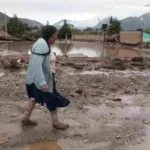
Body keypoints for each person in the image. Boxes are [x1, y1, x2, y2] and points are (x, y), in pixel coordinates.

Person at [22, 25, 70, 130]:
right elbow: (36, 65)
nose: (56, 37)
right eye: (55, 35)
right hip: (41, 80)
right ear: (51, 36)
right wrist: (42, 83)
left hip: (37, 78)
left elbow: (42, 64)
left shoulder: (43, 43)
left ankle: (25, 118)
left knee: (34, 97)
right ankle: (56, 123)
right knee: (51, 99)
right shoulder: (41, 45)